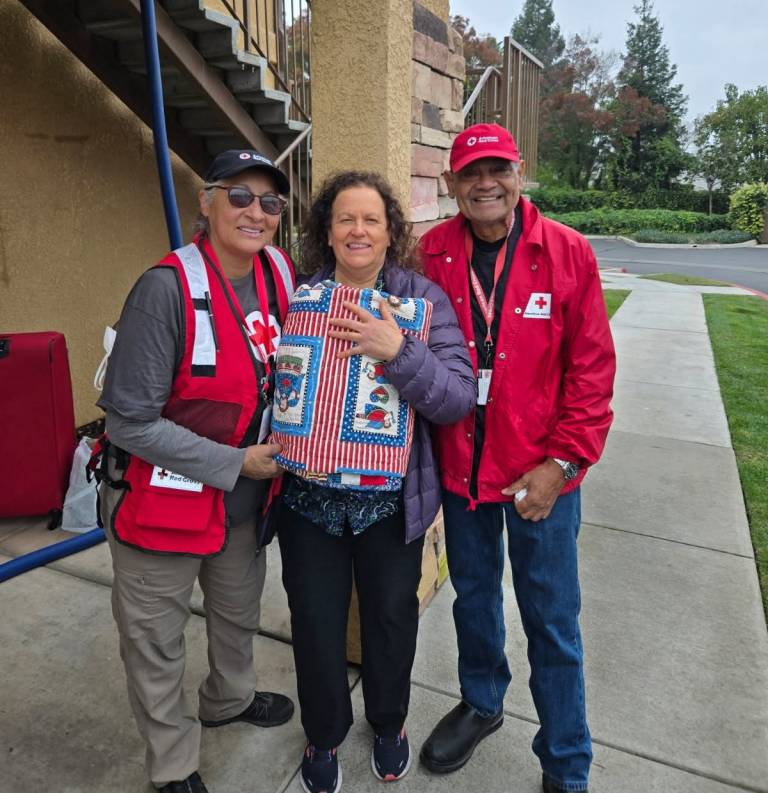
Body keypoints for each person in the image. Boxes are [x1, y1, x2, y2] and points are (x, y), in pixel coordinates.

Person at [418, 124, 616, 793]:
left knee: (551, 619)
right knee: (473, 598)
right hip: (461, 473)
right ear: (452, 185)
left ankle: (565, 763)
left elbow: (591, 373)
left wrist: (561, 465)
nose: (485, 184)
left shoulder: (566, 252)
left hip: (541, 478)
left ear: (519, 172)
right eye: (471, 173)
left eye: (497, 169)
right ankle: (482, 699)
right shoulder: (433, 253)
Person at [95, 149, 297, 793]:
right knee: (156, 644)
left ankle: (229, 700)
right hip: (162, 505)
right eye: (238, 196)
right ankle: (173, 763)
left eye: (270, 202)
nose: (255, 212)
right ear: (205, 202)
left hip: (242, 505)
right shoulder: (164, 289)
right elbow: (128, 421)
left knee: (237, 615)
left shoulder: (279, 273)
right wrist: (235, 462)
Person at [274, 171, 475, 793]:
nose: (357, 230)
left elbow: (459, 397)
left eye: (370, 219)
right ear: (327, 233)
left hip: (390, 506)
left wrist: (398, 349)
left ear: (391, 231)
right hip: (308, 503)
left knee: (391, 621)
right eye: (344, 219)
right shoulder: (299, 298)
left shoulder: (422, 300)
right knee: (314, 622)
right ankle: (324, 732)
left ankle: (388, 723)